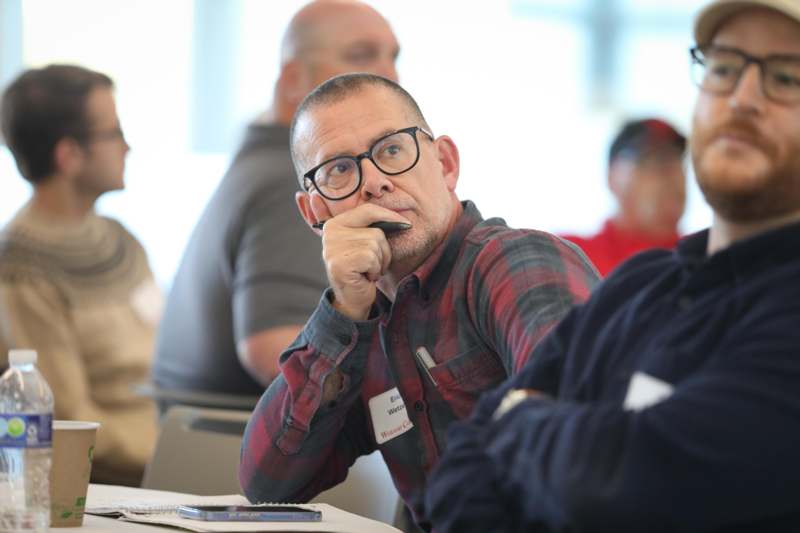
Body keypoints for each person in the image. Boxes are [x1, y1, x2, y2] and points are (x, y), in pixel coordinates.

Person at [425, 1, 800, 531]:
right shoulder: (633, 287)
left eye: (785, 76)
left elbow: (622, 483)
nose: (741, 98)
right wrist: (581, 447)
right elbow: (456, 473)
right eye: (723, 68)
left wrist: (522, 416)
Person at [238, 73, 599, 527]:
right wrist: (344, 311)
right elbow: (267, 484)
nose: (373, 183)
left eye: (391, 150)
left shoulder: (514, 261)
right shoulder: (361, 328)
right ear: (315, 213)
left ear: (445, 163)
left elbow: (584, 427)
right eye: (340, 170)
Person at [153, 0, 400, 404]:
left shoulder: (257, 165)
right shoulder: (297, 182)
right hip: (231, 447)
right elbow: (273, 350)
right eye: (362, 56)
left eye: (393, 57)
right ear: (293, 79)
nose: (390, 76)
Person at [0, 65, 159, 486]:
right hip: (115, 478)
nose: (127, 147)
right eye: (114, 133)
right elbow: (70, 418)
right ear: (69, 155)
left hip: (166, 438)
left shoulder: (121, 240)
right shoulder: (20, 269)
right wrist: (170, 452)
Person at [562, 118, 687, 277]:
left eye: (677, 159)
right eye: (650, 160)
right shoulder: (570, 258)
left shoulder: (711, 259)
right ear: (611, 177)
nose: (671, 172)